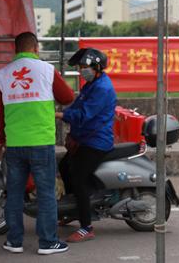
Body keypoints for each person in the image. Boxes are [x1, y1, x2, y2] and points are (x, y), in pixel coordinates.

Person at [0, 32, 74, 255]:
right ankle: (48, 242)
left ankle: (14, 241)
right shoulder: (47, 70)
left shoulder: (2, 75)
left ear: (16, 50)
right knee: (46, 193)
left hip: (15, 145)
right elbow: (68, 96)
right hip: (41, 143)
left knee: (15, 193)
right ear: (36, 48)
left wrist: (1, 139)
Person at [55, 48, 116, 243]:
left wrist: (61, 115)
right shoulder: (91, 84)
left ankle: (86, 227)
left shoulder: (102, 88)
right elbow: (77, 106)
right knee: (64, 166)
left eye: (84, 67)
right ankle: (75, 210)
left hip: (96, 142)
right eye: (81, 67)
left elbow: (84, 115)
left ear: (96, 67)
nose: (82, 70)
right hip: (85, 138)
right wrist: (64, 114)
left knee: (79, 178)